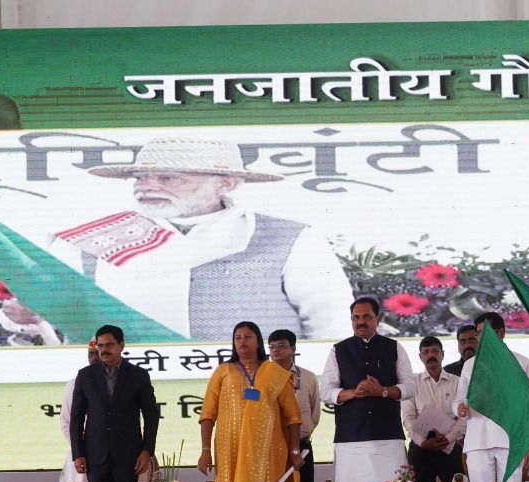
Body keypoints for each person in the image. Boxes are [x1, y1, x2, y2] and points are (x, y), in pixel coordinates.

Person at [40, 137, 353, 341]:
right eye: (140, 177)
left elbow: (332, 324)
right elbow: (52, 314)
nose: (146, 186)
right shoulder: (89, 240)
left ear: (226, 183)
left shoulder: (290, 238)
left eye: (167, 177)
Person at [198, 321, 301, 482]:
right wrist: (205, 450)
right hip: (230, 451)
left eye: (248, 337)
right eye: (238, 337)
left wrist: (295, 451)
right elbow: (208, 414)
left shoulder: (274, 372)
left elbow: (293, 417)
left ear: (258, 341)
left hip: (268, 452)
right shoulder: (223, 371)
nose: (242, 341)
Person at [320, 298, 416, 482]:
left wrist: (382, 391)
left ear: (377, 319)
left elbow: (410, 387)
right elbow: (325, 392)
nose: (360, 322)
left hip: (388, 439)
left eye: (366, 317)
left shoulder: (394, 348)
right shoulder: (338, 350)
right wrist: (354, 393)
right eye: (356, 317)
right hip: (351, 440)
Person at [453, 312, 529, 482]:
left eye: (485, 333)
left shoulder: (521, 362)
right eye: (478, 333)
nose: (480, 338)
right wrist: (459, 408)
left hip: (511, 442)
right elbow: (458, 401)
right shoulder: (470, 365)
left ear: (500, 333)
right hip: (478, 442)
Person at [69, 325, 161, 482]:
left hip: (128, 456)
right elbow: (76, 417)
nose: (104, 350)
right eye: (100, 346)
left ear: (121, 345)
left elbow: (151, 415)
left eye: (109, 345)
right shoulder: (85, 375)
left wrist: (147, 450)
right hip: (96, 455)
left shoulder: (138, 375)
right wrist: (78, 453)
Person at [402, 336, 465, 482]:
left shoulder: (457, 382)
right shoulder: (413, 384)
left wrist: (449, 438)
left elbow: (464, 417)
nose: (431, 356)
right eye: (426, 352)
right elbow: (408, 418)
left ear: (443, 355)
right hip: (422, 450)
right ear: (420, 357)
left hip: (449, 448)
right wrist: (422, 442)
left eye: (435, 351)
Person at [268, 329, 321, 482]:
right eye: (272, 346)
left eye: (281, 345)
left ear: (293, 349)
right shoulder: (262, 377)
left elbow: (314, 414)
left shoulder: (307, 377)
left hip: (302, 449)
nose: (276, 350)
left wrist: (298, 442)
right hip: (273, 450)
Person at [60, 342, 98, 482]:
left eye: (97, 353)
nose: (94, 358)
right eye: (91, 354)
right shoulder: (74, 384)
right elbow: (67, 423)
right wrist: (81, 451)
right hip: (82, 458)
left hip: (110, 458)